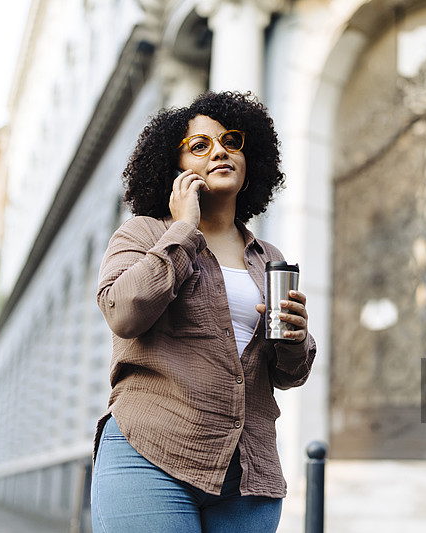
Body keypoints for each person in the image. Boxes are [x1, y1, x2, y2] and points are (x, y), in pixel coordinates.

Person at [90, 91, 316, 533]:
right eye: (200, 145)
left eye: (231, 141)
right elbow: (124, 312)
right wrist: (183, 230)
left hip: (248, 476)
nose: (220, 151)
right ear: (174, 170)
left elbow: (288, 374)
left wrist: (296, 338)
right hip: (150, 455)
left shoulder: (267, 258)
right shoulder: (143, 234)